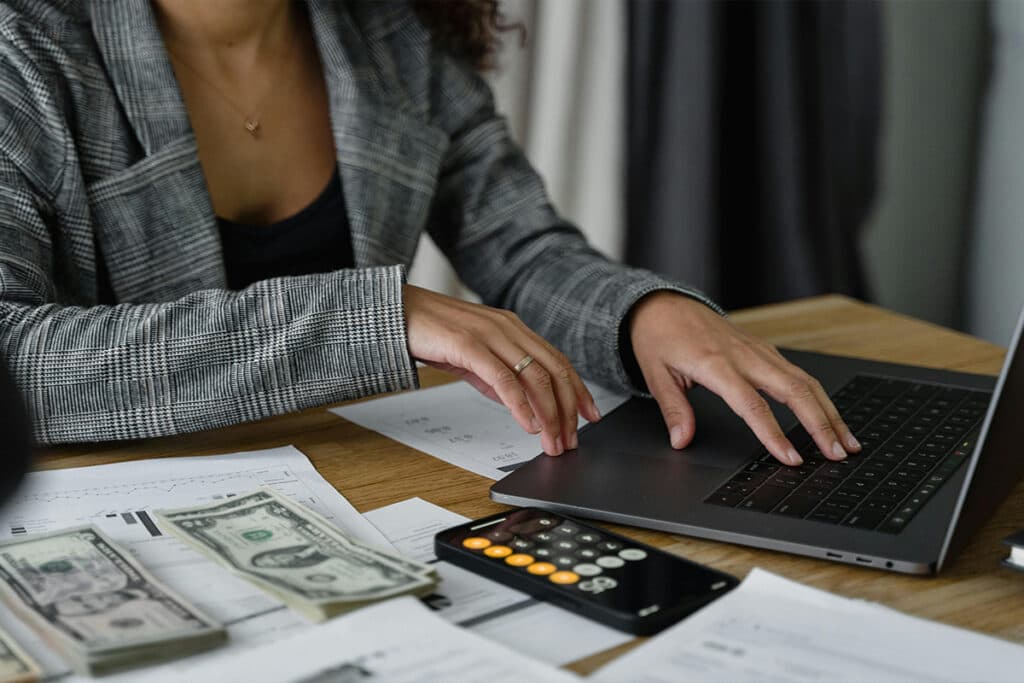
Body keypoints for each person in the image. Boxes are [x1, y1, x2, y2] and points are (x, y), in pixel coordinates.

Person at [0, 0, 860, 468]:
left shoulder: (395, 33)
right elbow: (15, 358)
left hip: (353, 485)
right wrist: (378, 317)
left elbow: (522, 247)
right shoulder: (25, 48)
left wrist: (645, 315)